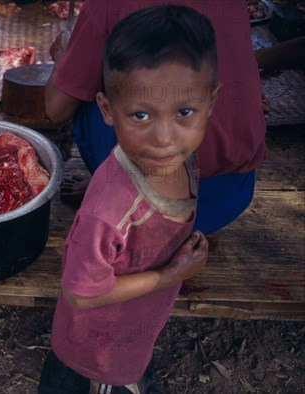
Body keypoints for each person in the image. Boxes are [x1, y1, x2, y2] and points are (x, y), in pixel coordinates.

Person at [38, 5, 218, 393]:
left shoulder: (183, 161)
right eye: (140, 116)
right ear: (107, 110)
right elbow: (81, 294)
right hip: (93, 362)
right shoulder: (108, 215)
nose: (164, 138)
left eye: (184, 111)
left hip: (130, 338)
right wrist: (171, 276)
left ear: (212, 103)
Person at [46, 0, 267, 235]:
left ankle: (117, 192)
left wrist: (64, 56)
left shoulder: (105, 4)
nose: (163, 139)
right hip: (230, 195)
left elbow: (56, 109)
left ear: (213, 101)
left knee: (90, 87)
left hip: (149, 206)